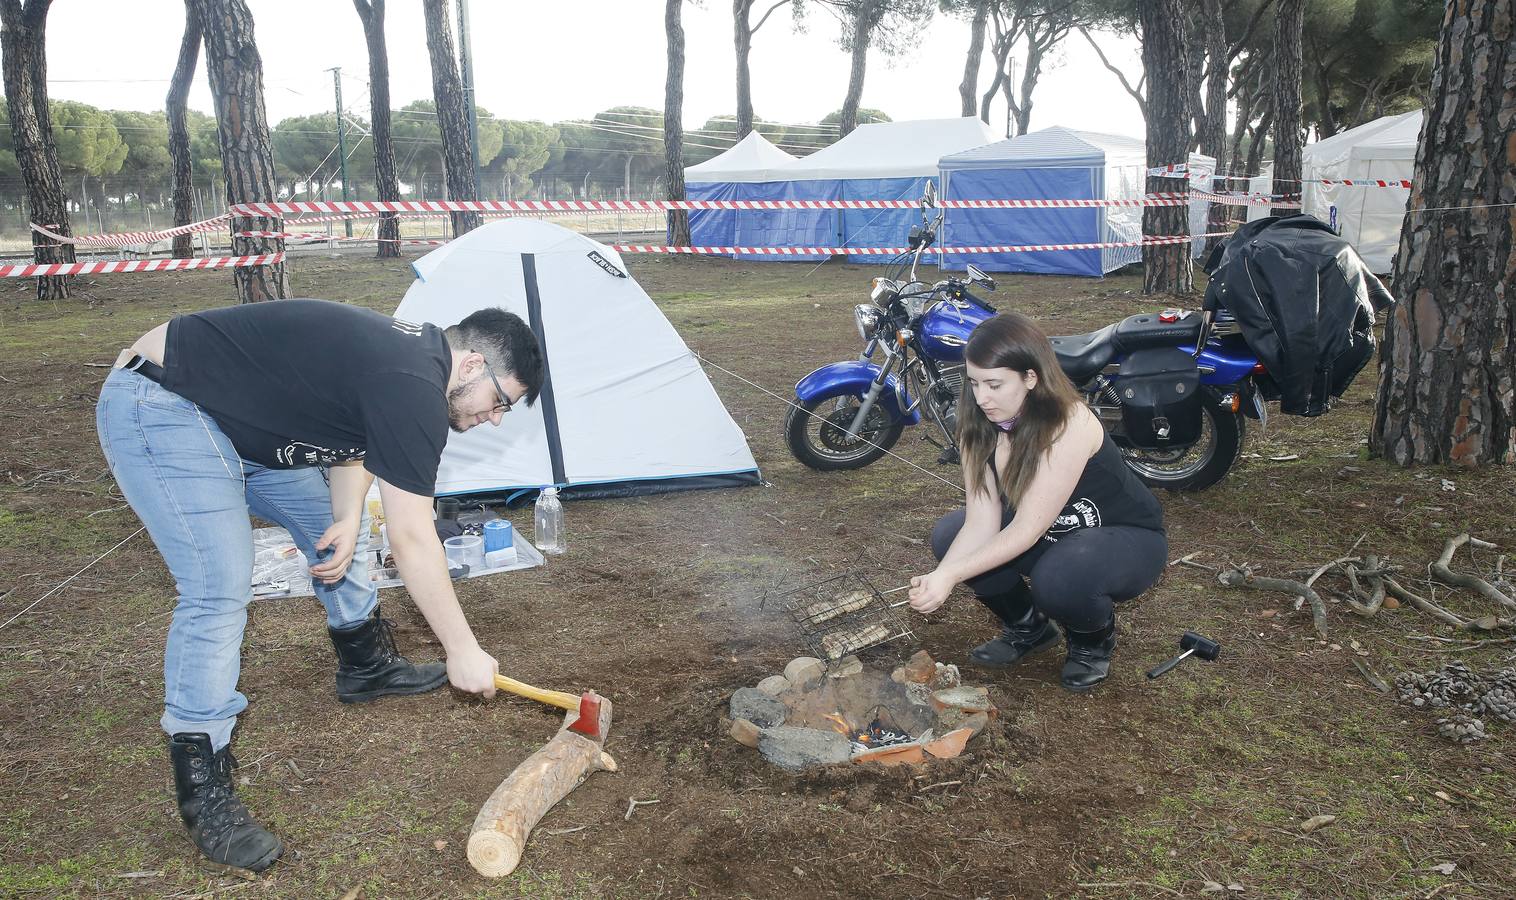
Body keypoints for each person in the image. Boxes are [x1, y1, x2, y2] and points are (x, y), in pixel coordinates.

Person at [95, 299, 544, 873]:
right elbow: (412, 538)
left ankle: (365, 664)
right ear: (473, 366)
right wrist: (463, 650)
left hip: (243, 423)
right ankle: (201, 777)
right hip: (165, 402)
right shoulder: (414, 383)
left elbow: (350, 434)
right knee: (219, 585)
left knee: (330, 529)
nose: (498, 417)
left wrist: (348, 514)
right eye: (502, 401)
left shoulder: (414, 362)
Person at [908, 312, 1167, 692]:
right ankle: (1029, 628)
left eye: (995, 384)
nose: (982, 398)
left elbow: (1027, 529)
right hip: (1052, 535)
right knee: (950, 535)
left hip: (1123, 537)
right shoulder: (977, 425)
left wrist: (950, 575)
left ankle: (1092, 643)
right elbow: (981, 522)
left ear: (1031, 378)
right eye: (974, 383)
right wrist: (941, 575)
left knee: (1061, 577)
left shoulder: (1068, 424)